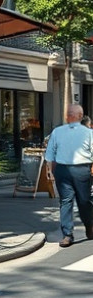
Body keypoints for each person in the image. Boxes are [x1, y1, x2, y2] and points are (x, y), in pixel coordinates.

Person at [45, 104, 93, 247]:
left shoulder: (88, 133)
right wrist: (51, 171)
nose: (69, 116)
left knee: (84, 201)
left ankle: (89, 225)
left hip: (81, 169)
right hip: (64, 169)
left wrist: (51, 170)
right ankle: (67, 234)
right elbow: (50, 153)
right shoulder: (58, 132)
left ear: (79, 116)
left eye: (71, 114)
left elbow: (49, 154)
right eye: (68, 113)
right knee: (66, 201)